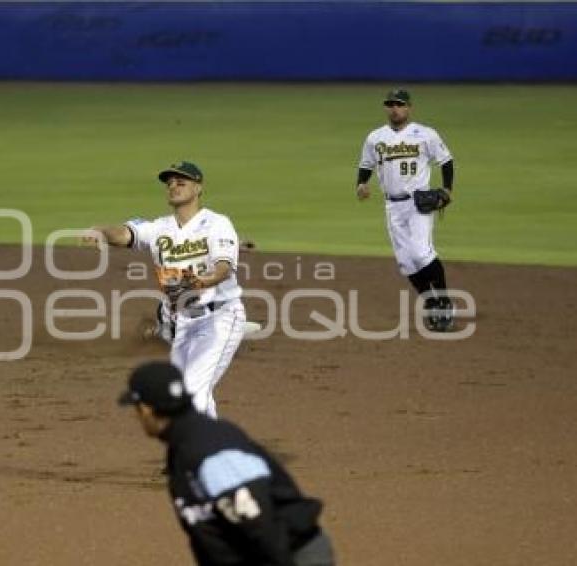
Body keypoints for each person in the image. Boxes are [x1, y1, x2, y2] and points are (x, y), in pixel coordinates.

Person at [118, 361, 335, 566]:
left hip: (289, 557)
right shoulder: (186, 444)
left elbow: (262, 526)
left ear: (146, 409)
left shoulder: (208, 449)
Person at [88, 161, 246, 417]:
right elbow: (125, 233)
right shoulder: (159, 228)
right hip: (183, 323)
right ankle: (213, 446)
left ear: (198, 188)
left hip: (220, 318)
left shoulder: (217, 223)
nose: (173, 186)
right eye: (169, 183)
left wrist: (199, 282)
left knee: (193, 391)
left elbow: (223, 268)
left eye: (181, 182)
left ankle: (203, 448)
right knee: (184, 392)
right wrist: (102, 232)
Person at [356, 88, 456, 331]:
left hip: (418, 203)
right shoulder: (375, 137)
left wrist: (447, 189)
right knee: (406, 263)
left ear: (409, 108)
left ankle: (444, 301)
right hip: (392, 206)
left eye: (399, 104)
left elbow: (446, 160)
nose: (394, 108)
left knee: (421, 253)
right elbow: (366, 164)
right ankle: (431, 302)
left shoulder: (425, 134)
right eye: (390, 104)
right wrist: (361, 183)